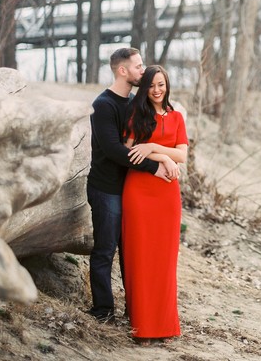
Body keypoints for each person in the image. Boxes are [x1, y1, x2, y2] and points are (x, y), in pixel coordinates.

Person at [86, 48, 180, 323]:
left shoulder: (132, 104)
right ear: (122, 70)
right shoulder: (103, 105)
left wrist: (160, 154)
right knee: (105, 250)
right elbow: (116, 151)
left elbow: (146, 143)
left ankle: (136, 311)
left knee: (132, 253)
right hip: (106, 189)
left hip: (131, 190)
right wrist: (155, 166)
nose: (143, 70)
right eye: (138, 67)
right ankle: (103, 311)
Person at [121, 65, 188, 341]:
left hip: (167, 197)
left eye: (161, 85)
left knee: (164, 261)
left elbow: (182, 155)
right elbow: (128, 149)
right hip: (139, 193)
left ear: (167, 86)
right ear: (144, 88)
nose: (157, 90)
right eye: (151, 86)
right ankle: (142, 328)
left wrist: (154, 148)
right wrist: (162, 157)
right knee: (140, 258)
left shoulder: (176, 118)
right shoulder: (137, 113)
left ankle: (164, 326)